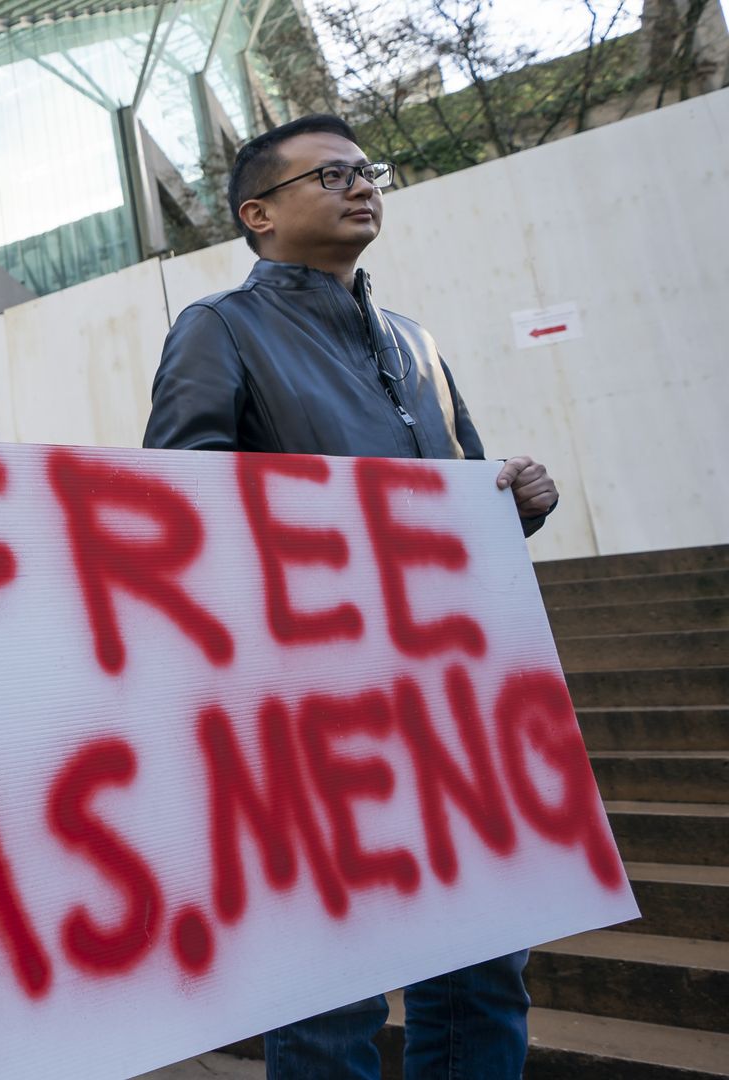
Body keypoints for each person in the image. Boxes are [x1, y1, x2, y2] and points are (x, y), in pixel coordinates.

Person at [143, 114, 558, 1079]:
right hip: (316, 703)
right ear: (259, 214)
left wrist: (519, 497)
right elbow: (177, 507)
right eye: (330, 174)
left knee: (487, 968)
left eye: (367, 168)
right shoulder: (217, 330)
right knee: (337, 990)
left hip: (458, 696)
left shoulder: (416, 342)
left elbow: (466, 492)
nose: (361, 184)